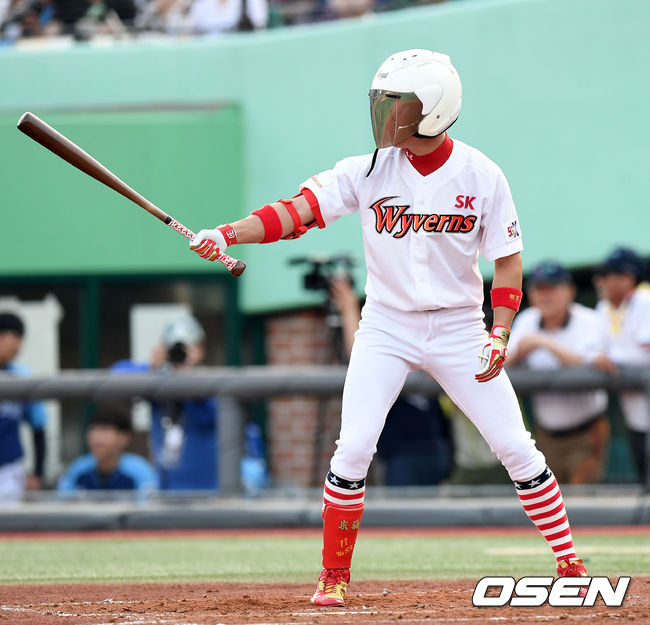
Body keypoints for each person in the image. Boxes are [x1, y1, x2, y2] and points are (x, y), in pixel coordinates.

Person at [189, 49, 588, 605]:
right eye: (383, 102)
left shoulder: (482, 174)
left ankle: (569, 561)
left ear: (434, 109)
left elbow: (508, 260)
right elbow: (296, 212)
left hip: (458, 326)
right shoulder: (368, 169)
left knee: (516, 447)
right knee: (353, 448)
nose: (385, 113)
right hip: (386, 324)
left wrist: (499, 331)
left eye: (398, 103)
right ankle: (333, 576)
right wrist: (228, 233)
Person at [329, 276, 453, 486]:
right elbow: (361, 356)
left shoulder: (430, 330)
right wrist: (349, 307)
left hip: (435, 446)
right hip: (402, 452)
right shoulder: (389, 336)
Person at [507, 261, 610, 484]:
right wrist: (517, 355)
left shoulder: (589, 319)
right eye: (539, 289)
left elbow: (592, 364)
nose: (545, 296)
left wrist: (544, 343)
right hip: (545, 435)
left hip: (585, 433)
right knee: (551, 498)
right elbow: (503, 362)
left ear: (569, 291)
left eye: (551, 288)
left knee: (583, 499)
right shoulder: (527, 320)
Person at [112, 315, 219, 491]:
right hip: (167, 491)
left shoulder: (211, 384)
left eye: (187, 348)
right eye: (175, 348)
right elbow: (115, 376)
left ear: (201, 349)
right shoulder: (158, 382)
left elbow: (213, 414)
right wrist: (151, 368)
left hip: (209, 491)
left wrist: (188, 376)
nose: (180, 354)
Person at [593, 247, 650, 481]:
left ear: (628, 278)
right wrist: (599, 356)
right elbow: (592, 350)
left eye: (608, 275)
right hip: (635, 414)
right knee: (643, 481)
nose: (600, 282)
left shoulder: (645, 299)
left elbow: (644, 354)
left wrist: (608, 357)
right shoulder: (604, 307)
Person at [0, 312, 48, 503]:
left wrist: (38, 473)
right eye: (15, 338)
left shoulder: (21, 376)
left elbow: (39, 427)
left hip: (7, 469)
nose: (18, 346)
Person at [58, 411, 158, 493]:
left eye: (104, 430)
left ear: (124, 437)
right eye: (93, 430)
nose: (96, 437)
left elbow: (148, 507)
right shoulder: (78, 468)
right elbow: (63, 504)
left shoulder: (140, 470)